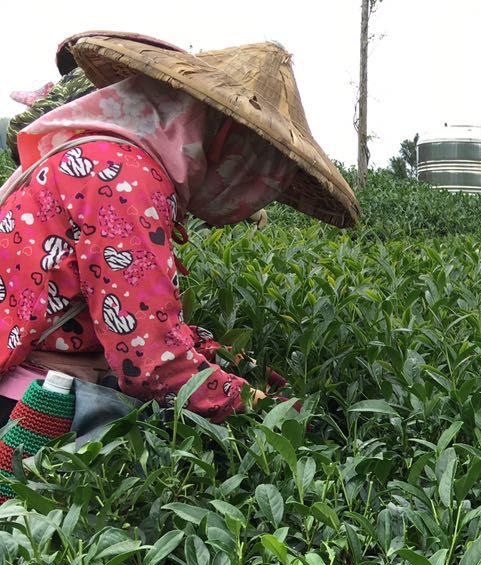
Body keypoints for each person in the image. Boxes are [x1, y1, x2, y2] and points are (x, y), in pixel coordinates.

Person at [0, 34, 359, 427]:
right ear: (219, 135)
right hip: (31, 401)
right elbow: (154, 367)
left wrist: (231, 359)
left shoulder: (112, 158)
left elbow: (137, 315)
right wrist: (280, 413)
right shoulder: (122, 177)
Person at [7, 32, 183, 166]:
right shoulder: (173, 100)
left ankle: (45, 96)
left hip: (84, 168)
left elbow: (21, 129)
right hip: (145, 179)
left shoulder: (80, 75)